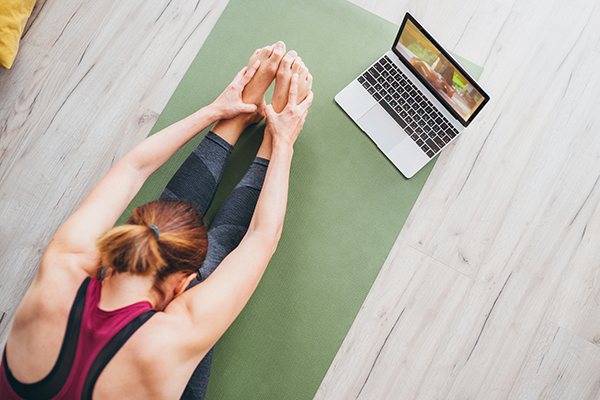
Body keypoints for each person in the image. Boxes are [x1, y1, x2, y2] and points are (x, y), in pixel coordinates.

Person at [0, 41, 313, 400]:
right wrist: (282, 143)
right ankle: (264, 146)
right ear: (181, 286)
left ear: (126, 238)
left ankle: (235, 118)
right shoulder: (172, 340)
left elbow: (134, 168)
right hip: (155, 358)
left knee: (167, 235)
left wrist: (216, 110)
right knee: (215, 265)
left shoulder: (62, 269)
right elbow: (260, 238)